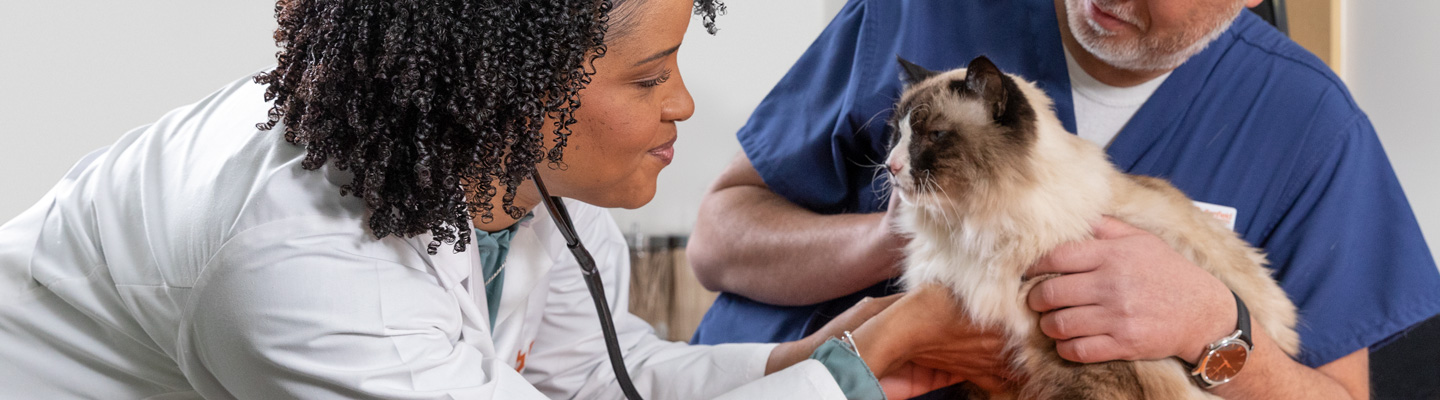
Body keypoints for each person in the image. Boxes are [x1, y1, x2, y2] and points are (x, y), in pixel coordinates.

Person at [0, 0, 1004, 399]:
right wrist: (868, 360)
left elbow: (607, 377)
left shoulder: (525, 187)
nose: (688, 105)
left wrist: (814, 350)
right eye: (649, 79)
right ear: (510, 93)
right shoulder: (295, 262)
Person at [688, 0, 1440, 398]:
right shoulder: (918, 12)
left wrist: (1213, 328)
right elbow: (715, 242)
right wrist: (912, 243)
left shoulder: (1306, 122)